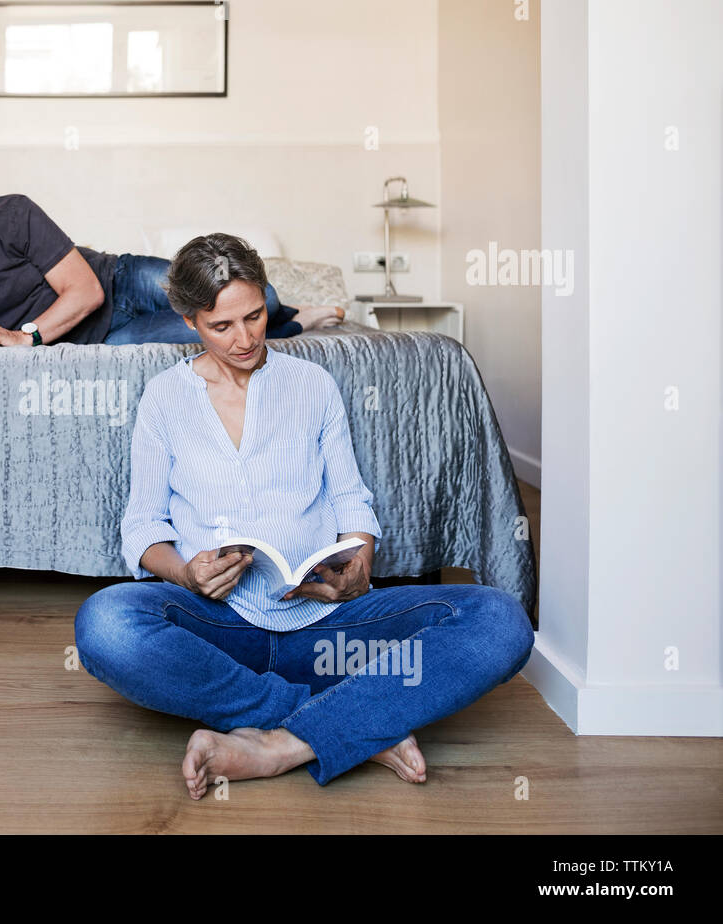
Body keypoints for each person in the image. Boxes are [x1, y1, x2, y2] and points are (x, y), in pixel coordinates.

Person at [73, 233, 535, 796]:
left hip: (328, 631)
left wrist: (359, 561)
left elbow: (351, 499)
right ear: (190, 320)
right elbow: (142, 527)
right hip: (220, 630)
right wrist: (186, 573)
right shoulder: (164, 398)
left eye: (254, 317)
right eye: (222, 326)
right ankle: (352, 721)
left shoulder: (313, 384)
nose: (244, 339)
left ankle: (279, 743)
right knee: (105, 623)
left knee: (499, 621)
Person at [0, 150, 344, 345]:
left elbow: (84, 292)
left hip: (118, 282)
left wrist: (24, 339)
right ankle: (295, 328)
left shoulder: (12, 212)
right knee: (219, 332)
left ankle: (291, 313)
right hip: (97, 341)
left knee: (258, 300)